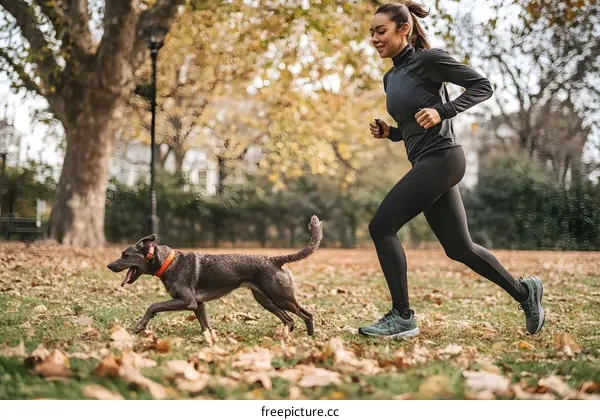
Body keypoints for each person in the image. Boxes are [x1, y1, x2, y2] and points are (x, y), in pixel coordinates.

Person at [359, 1, 545, 339]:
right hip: (428, 161)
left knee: (381, 226)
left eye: (380, 31)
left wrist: (443, 111)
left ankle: (402, 316)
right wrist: (392, 133)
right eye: (371, 32)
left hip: (443, 158)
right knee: (460, 248)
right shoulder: (391, 76)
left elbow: (482, 86)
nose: (374, 38)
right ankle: (525, 292)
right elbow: (414, 125)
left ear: (404, 29)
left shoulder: (428, 60)